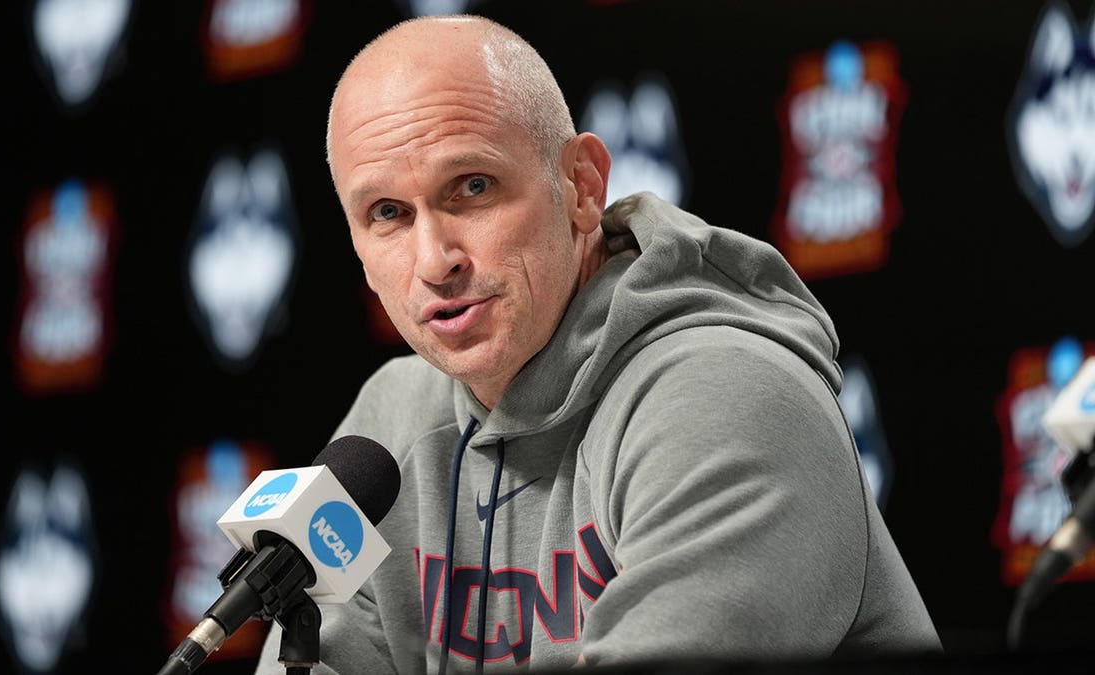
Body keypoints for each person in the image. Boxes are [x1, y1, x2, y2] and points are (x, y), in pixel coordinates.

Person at [254, 13, 941, 674]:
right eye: (388, 213)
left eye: (472, 186)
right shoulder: (391, 430)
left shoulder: (728, 399)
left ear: (581, 187)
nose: (435, 259)